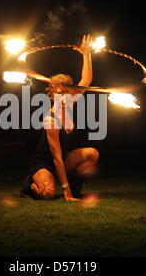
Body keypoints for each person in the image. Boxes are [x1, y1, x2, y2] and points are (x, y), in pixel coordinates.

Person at [21, 34, 100, 201]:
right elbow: (55, 157)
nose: (63, 97)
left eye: (66, 91)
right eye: (58, 92)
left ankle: (75, 186)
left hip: (64, 160)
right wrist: (65, 192)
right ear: (51, 94)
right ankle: (30, 185)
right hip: (44, 163)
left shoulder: (70, 102)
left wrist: (86, 54)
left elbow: (87, 79)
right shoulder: (50, 120)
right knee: (47, 193)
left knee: (92, 153)